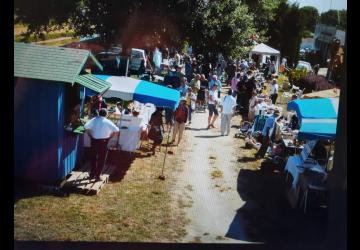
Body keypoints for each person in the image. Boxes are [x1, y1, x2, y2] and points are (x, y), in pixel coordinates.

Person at [84, 108, 119, 181]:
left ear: (99, 113)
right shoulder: (107, 121)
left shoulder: (94, 119)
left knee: (93, 158)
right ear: (106, 114)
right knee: (101, 159)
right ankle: (97, 176)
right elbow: (117, 130)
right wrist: (109, 137)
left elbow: (85, 127)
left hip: (94, 141)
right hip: (103, 141)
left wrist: (90, 135)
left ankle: (92, 174)